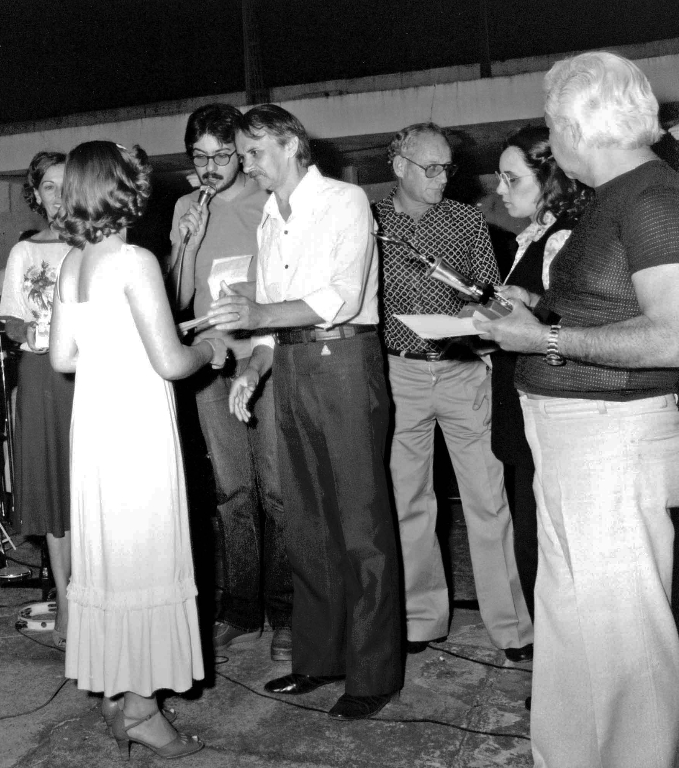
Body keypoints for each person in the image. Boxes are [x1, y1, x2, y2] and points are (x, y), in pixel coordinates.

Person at [475, 51, 679, 768]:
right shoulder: (613, 196)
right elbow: (609, 307)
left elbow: (673, 335)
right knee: (573, 627)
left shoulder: (655, 200)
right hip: (576, 442)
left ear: (580, 126)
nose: (549, 138)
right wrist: (535, 308)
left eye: (550, 124)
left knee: (624, 643)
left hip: (614, 441)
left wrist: (542, 335)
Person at [207, 105, 402, 721]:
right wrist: (254, 366)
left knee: (360, 522)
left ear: (292, 145)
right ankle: (318, 658)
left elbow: (340, 296)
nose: (248, 164)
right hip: (291, 367)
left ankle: (374, 671)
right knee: (308, 525)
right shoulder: (268, 216)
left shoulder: (345, 201)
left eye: (255, 151)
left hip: (343, 363)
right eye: (242, 154)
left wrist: (261, 318)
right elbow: (266, 313)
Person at [49, 140, 226, 758]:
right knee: (149, 555)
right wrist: (212, 350)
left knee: (111, 558)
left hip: (96, 425)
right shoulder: (135, 260)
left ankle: (114, 693)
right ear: (125, 187)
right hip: (138, 427)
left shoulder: (73, 261)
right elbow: (173, 362)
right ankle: (144, 711)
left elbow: (63, 356)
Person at [374, 123, 533, 661]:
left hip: (463, 370)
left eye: (448, 167)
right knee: (408, 500)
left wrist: (477, 311)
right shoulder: (369, 223)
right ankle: (422, 619)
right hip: (400, 376)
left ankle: (513, 626)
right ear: (400, 167)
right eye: (431, 168)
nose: (443, 178)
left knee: (489, 501)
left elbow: (490, 292)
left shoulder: (466, 219)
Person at [167, 103, 291, 661]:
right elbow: (175, 298)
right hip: (209, 364)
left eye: (223, 155)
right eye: (201, 157)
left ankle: (287, 608)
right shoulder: (185, 207)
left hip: (262, 362)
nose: (212, 167)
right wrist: (186, 246)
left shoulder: (269, 198)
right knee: (231, 489)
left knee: (276, 490)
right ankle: (240, 605)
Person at [490, 124, 590, 617]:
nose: (500, 190)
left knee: (543, 543)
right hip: (521, 407)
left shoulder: (562, 239)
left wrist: (531, 306)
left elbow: (566, 326)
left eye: (512, 180)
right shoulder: (530, 239)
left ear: (549, 179)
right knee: (532, 537)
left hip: (546, 411)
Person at [0, 150, 75, 649]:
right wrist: (41, 332)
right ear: (36, 195)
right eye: (49, 186)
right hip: (43, 374)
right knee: (53, 493)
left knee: (91, 493)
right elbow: (11, 322)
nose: (59, 194)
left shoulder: (100, 246)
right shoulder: (25, 253)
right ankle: (69, 613)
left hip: (93, 373)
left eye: (67, 184)